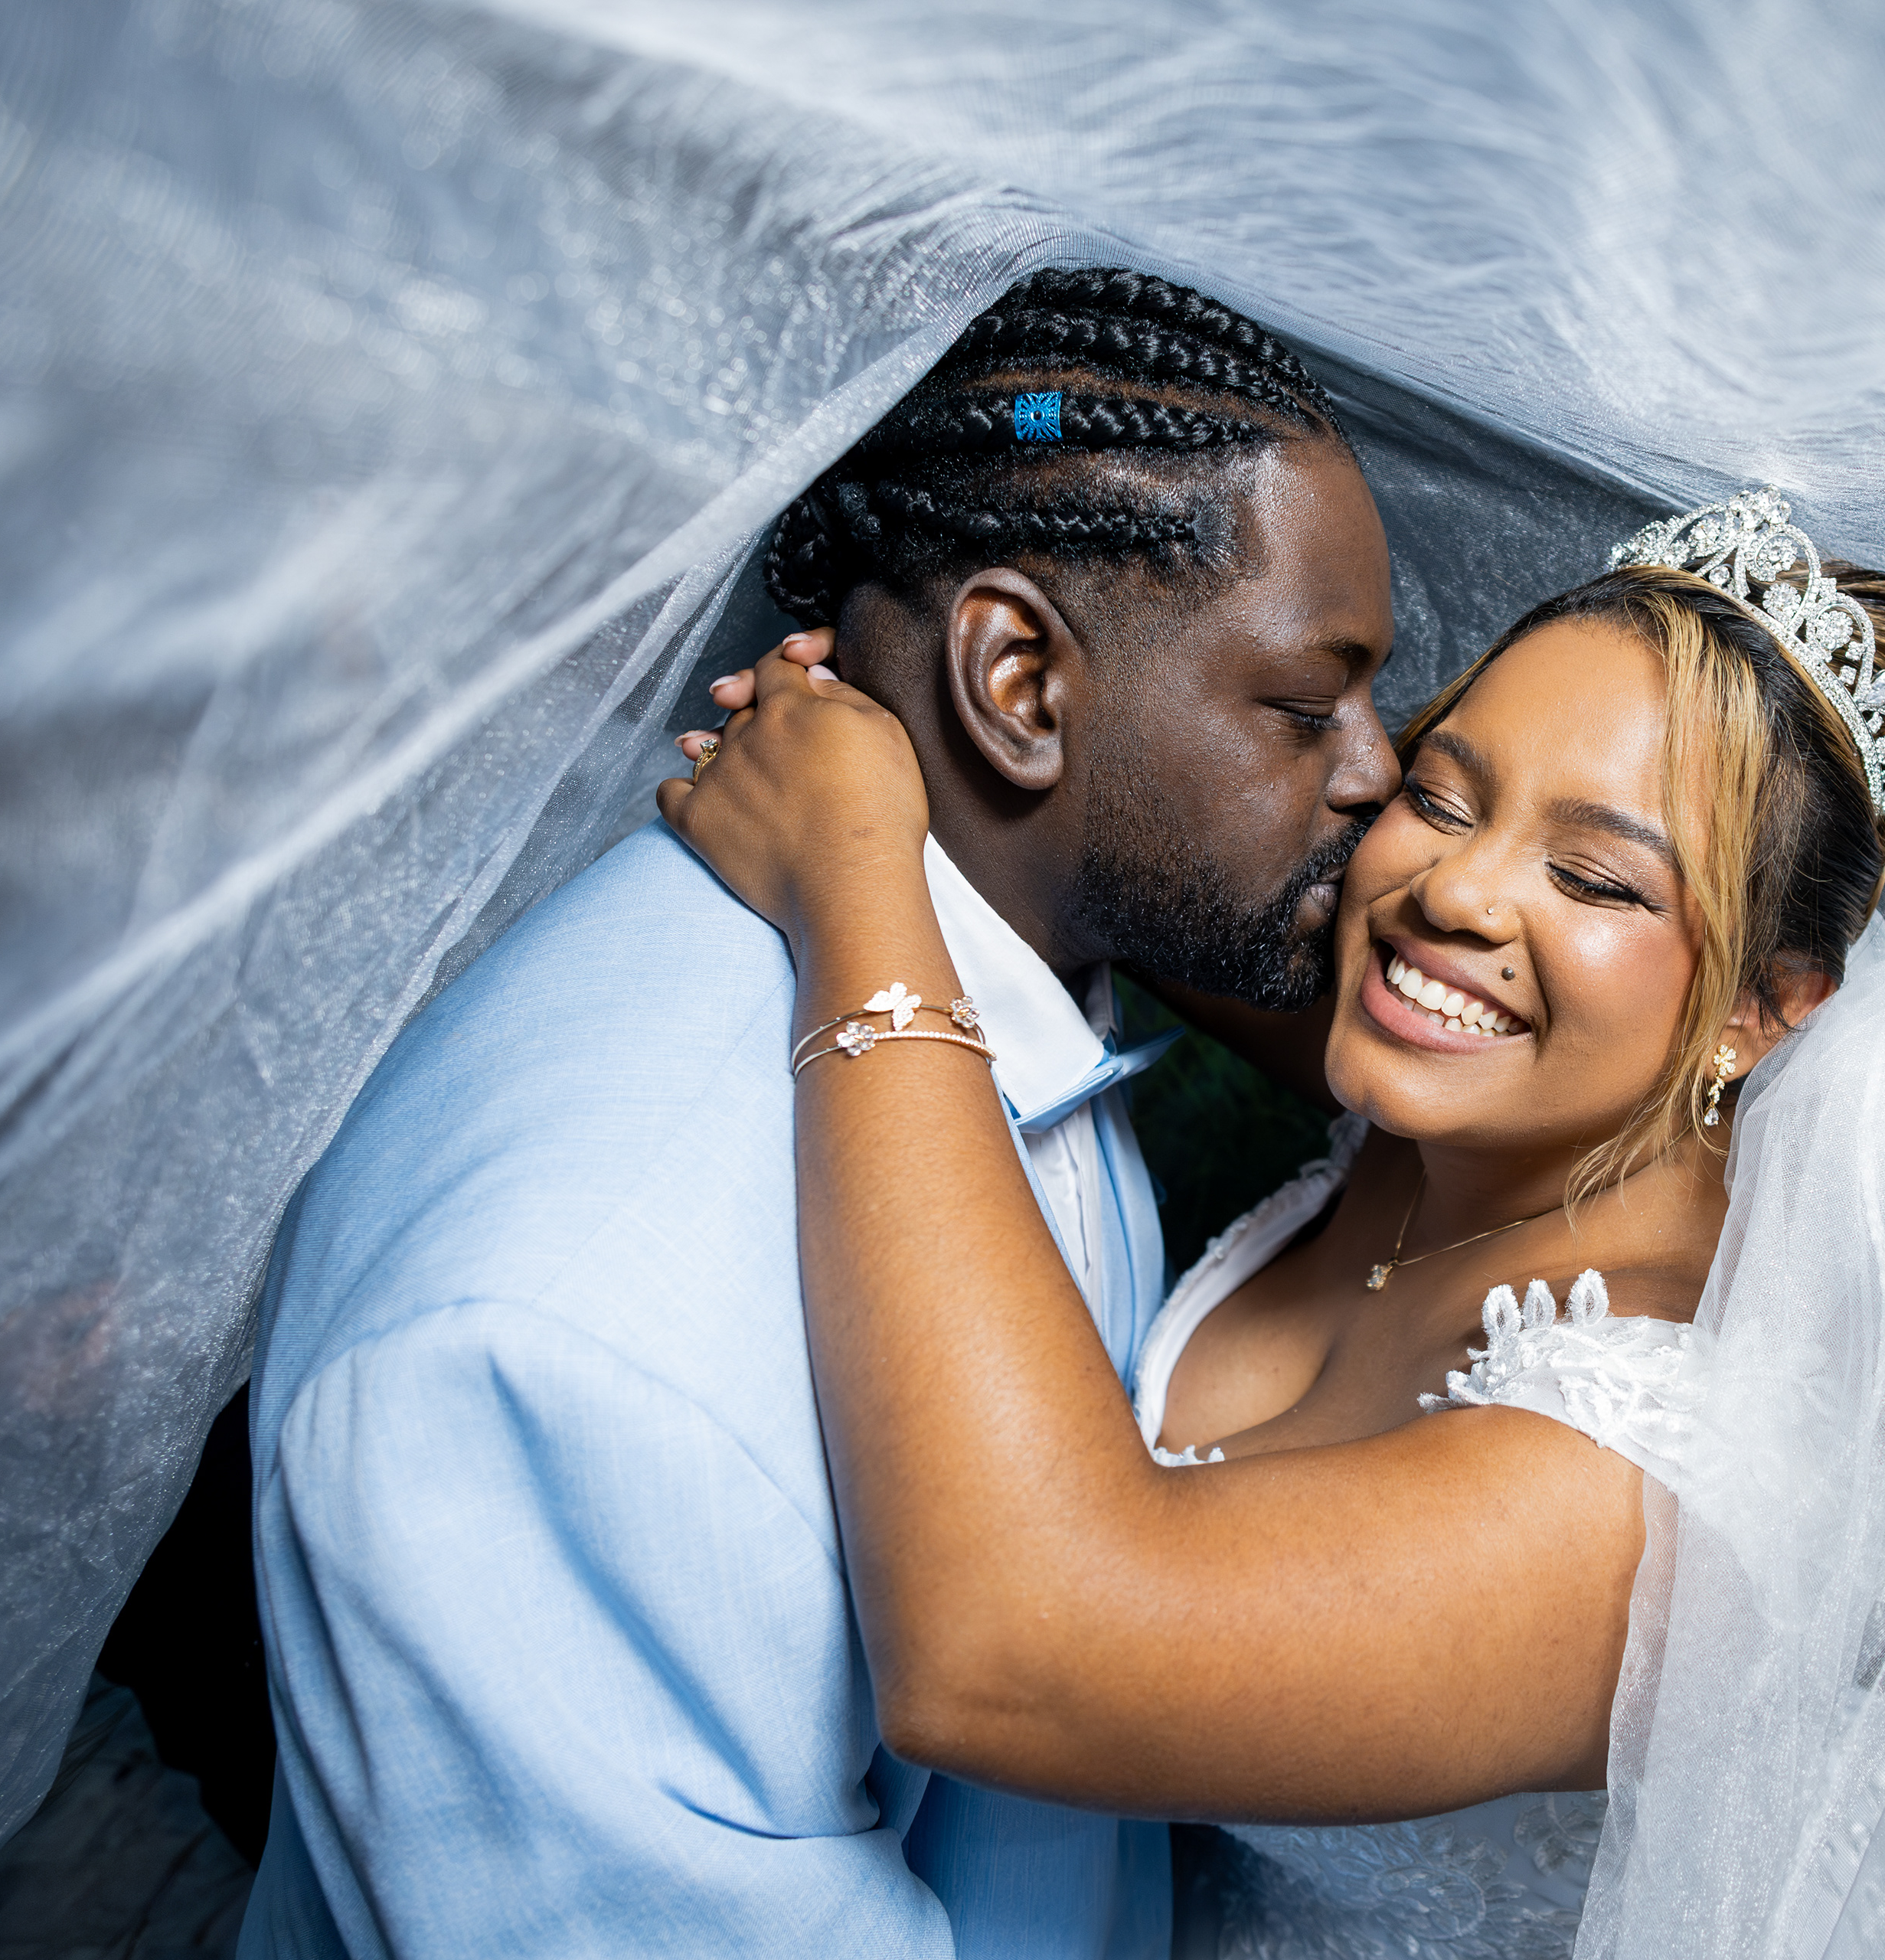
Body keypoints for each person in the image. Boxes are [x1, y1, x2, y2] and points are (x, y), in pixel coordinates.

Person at [240, 269, 1399, 1960]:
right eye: (1305, 706)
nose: (1377, 771)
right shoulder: (555, 1346)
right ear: (1019, 680)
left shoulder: (1014, 971)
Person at [663, 488, 1885, 1955]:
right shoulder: (1469, 1076)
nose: (1452, 894)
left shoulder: (1650, 1493)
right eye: (1445, 797)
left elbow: (1009, 1655)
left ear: (1763, 1010)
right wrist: (904, 710)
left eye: (1595, 878)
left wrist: (848, 869)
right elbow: (1096, 845)